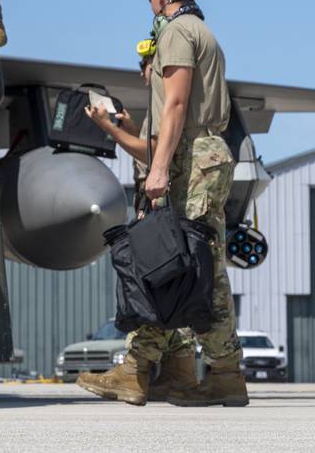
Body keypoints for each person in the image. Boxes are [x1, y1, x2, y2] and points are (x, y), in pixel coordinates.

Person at [76, 0, 247, 407]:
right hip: (198, 155)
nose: (148, 1)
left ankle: (148, 370)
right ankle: (184, 370)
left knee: (183, 265)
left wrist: (158, 169)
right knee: (181, 264)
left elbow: (175, 103)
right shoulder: (199, 31)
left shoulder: (176, 31)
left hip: (193, 159)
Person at [84, 53, 200, 403]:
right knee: (172, 283)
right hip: (165, 201)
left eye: (148, 63)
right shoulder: (162, 105)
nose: (142, 72)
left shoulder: (169, 103)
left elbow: (154, 156)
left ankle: (133, 374)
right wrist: (133, 131)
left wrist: (109, 129)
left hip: (160, 203)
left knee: (151, 283)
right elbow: (150, 150)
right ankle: (179, 372)